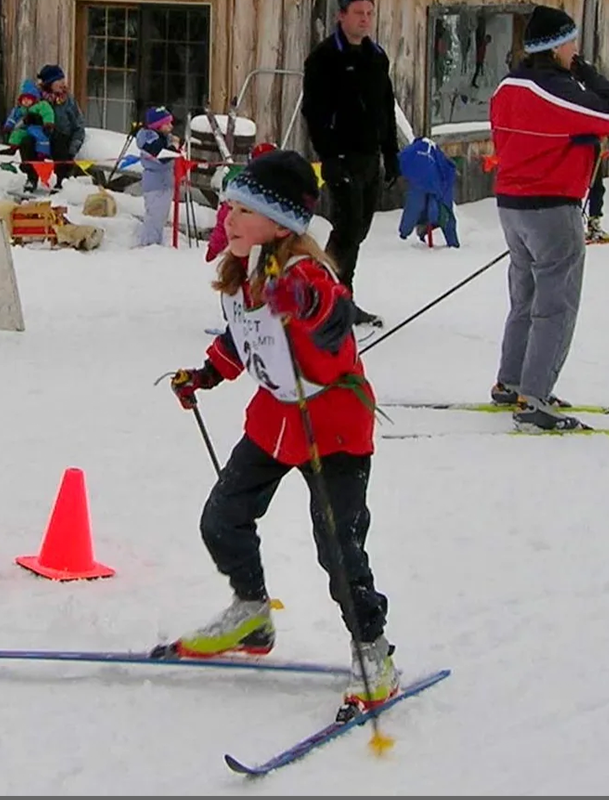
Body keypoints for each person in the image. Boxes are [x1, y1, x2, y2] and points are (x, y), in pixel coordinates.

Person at [167, 149, 397, 714]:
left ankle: (374, 652)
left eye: (242, 209)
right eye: (227, 205)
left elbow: (330, 317)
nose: (229, 217)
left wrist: (304, 303)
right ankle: (251, 615)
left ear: (280, 222)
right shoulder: (244, 267)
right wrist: (206, 374)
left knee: (338, 549)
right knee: (222, 518)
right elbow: (244, 335)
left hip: (332, 426)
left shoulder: (304, 273)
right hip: (276, 418)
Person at [488, 5, 609, 430]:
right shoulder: (554, 89)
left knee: (525, 297)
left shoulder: (506, 87)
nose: (575, 50)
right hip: (551, 205)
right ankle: (535, 399)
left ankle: (511, 382)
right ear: (556, 46)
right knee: (556, 303)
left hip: (512, 205)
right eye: (571, 43)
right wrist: (583, 70)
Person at [301, 0, 399, 328]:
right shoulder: (324, 58)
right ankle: (335, 300)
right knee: (347, 229)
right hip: (341, 158)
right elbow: (314, 113)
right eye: (359, 13)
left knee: (358, 231)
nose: (365, 20)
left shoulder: (376, 57)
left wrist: (391, 154)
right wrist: (330, 156)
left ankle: (331, 294)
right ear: (341, 15)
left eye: (370, 14)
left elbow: (386, 105)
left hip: (371, 156)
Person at [206, 142, 277, 263]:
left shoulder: (281, 195)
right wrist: (214, 247)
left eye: (245, 211)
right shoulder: (242, 188)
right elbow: (225, 219)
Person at [0, 78, 55, 192]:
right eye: (24, 99)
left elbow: (48, 113)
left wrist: (48, 124)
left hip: (37, 130)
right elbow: (13, 117)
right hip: (25, 131)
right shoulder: (20, 109)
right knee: (18, 135)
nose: (26, 102)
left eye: (29, 99)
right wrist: (8, 126)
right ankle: (13, 148)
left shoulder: (41, 105)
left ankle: (41, 153)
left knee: (38, 138)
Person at [134, 106, 180, 246]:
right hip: (155, 185)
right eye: (167, 124)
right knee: (154, 217)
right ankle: (149, 245)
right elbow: (162, 155)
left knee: (161, 217)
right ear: (157, 125)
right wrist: (174, 147)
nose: (171, 127)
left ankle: (156, 245)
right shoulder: (149, 138)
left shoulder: (163, 137)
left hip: (166, 182)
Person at [36, 64, 86, 190]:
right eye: (59, 80)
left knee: (60, 139)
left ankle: (61, 181)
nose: (63, 83)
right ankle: (31, 178)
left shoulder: (68, 101)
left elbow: (79, 126)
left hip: (62, 142)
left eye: (63, 80)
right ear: (49, 83)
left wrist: (73, 148)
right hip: (42, 140)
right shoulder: (37, 100)